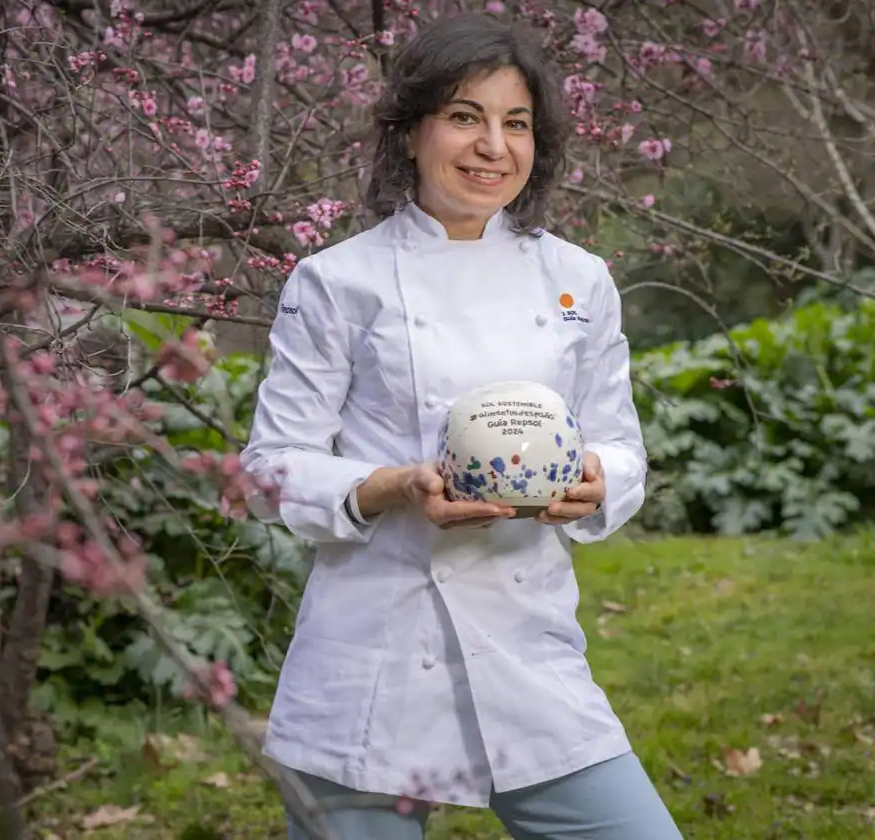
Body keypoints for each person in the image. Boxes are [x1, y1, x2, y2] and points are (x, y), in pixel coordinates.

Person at [239, 12, 684, 840]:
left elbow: (623, 450)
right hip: (371, 657)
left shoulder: (578, 281)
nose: (492, 146)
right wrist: (390, 486)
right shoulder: (336, 281)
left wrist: (593, 482)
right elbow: (269, 471)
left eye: (516, 124)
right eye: (465, 117)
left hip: (527, 643)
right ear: (409, 134)